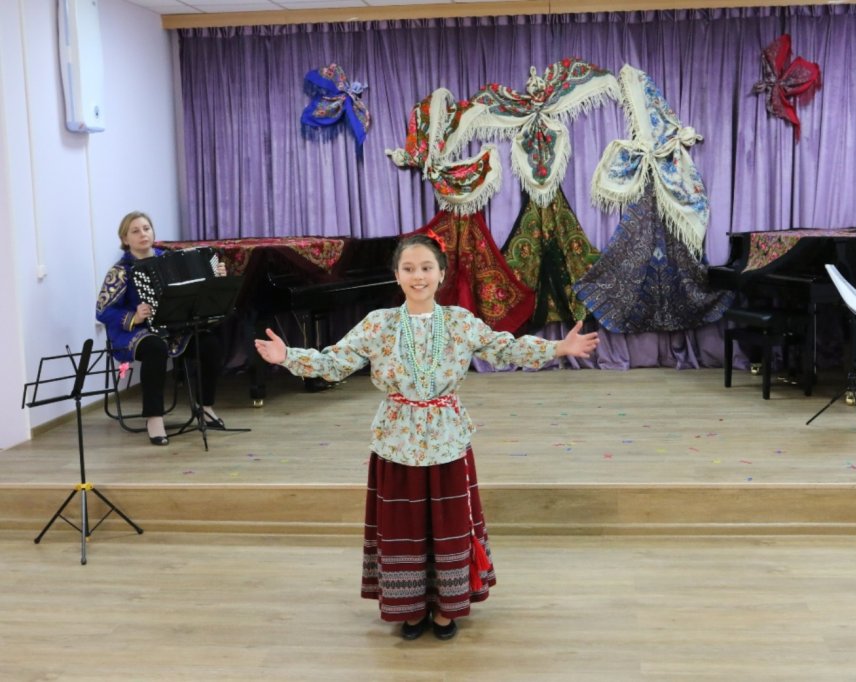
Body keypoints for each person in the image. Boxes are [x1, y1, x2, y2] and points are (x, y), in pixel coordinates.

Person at [254, 233, 599, 641]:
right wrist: (288, 357)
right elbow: (336, 362)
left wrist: (558, 348)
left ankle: (446, 609)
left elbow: (503, 348)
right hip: (396, 441)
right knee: (403, 527)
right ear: (397, 276)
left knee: (448, 524)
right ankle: (411, 609)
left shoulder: (459, 322)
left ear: (441, 274)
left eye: (425, 268)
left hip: (447, 439)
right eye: (408, 269)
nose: (418, 276)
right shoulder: (379, 324)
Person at [96, 211, 228, 446]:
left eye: (146, 228)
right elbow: (103, 311)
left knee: (210, 345)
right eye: (135, 231)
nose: (143, 234)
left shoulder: (169, 259)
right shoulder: (121, 271)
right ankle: (154, 418)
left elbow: (196, 289)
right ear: (125, 239)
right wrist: (134, 316)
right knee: (155, 348)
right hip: (134, 332)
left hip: (173, 329)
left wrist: (215, 276)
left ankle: (205, 406)